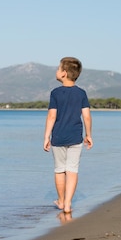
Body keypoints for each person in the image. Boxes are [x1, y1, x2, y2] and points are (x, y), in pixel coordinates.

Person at [43, 57, 93, 215]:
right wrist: (89, 134)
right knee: (72, 170)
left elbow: (51, 116)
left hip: (58, 138)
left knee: (59, 170)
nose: (56, 71)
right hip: (75, 137)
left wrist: (46, 137)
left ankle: (61, 200)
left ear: (64, 73)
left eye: (58, 69)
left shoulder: (55, 93)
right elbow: (86, 116)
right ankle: (68, 204)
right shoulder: (81, 93)